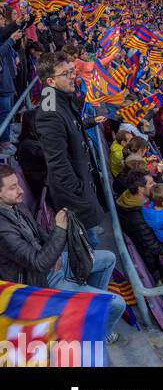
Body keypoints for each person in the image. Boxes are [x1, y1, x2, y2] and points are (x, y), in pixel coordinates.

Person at [0, 164, 126, 342]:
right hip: (39, 281)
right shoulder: (2, 229)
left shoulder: (14, 204)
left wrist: (56, 253)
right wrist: (60, 229)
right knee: (117, 303)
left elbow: (37, 231)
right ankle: (101, 333)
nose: (20, 190)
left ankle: (92, 311)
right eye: (12, 187)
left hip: (52, 262)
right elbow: (38, 263)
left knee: (108, 258)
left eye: (18, 184)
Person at [33, 52, 105, 245]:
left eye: (72, 71)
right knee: (91, 245)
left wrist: (89, 122)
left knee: (92, 240)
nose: (73, 76)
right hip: (75, 197)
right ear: (51, 81)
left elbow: (69, 126)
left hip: (81, 188)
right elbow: (57, 162)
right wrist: (79, 190)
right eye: (66, 73)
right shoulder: (49, 112)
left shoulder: (57, 97)